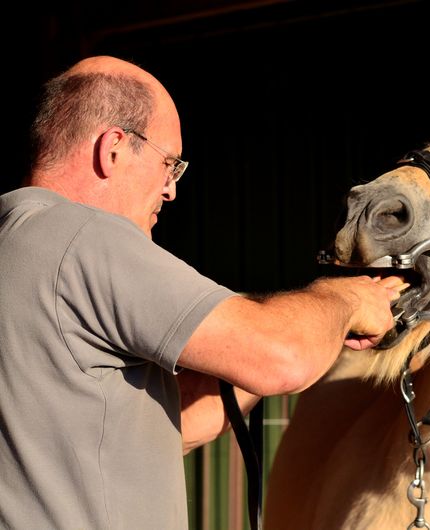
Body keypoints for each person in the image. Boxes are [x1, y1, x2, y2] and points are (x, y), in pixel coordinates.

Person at [0, 55, 403, 529]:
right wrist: (350, 300)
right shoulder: (83, 237)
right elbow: (281, 356)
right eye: (169, 164)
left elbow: (174, 427)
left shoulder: (19, 245)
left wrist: (313, 330)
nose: (170, 191)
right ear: (112, 150)